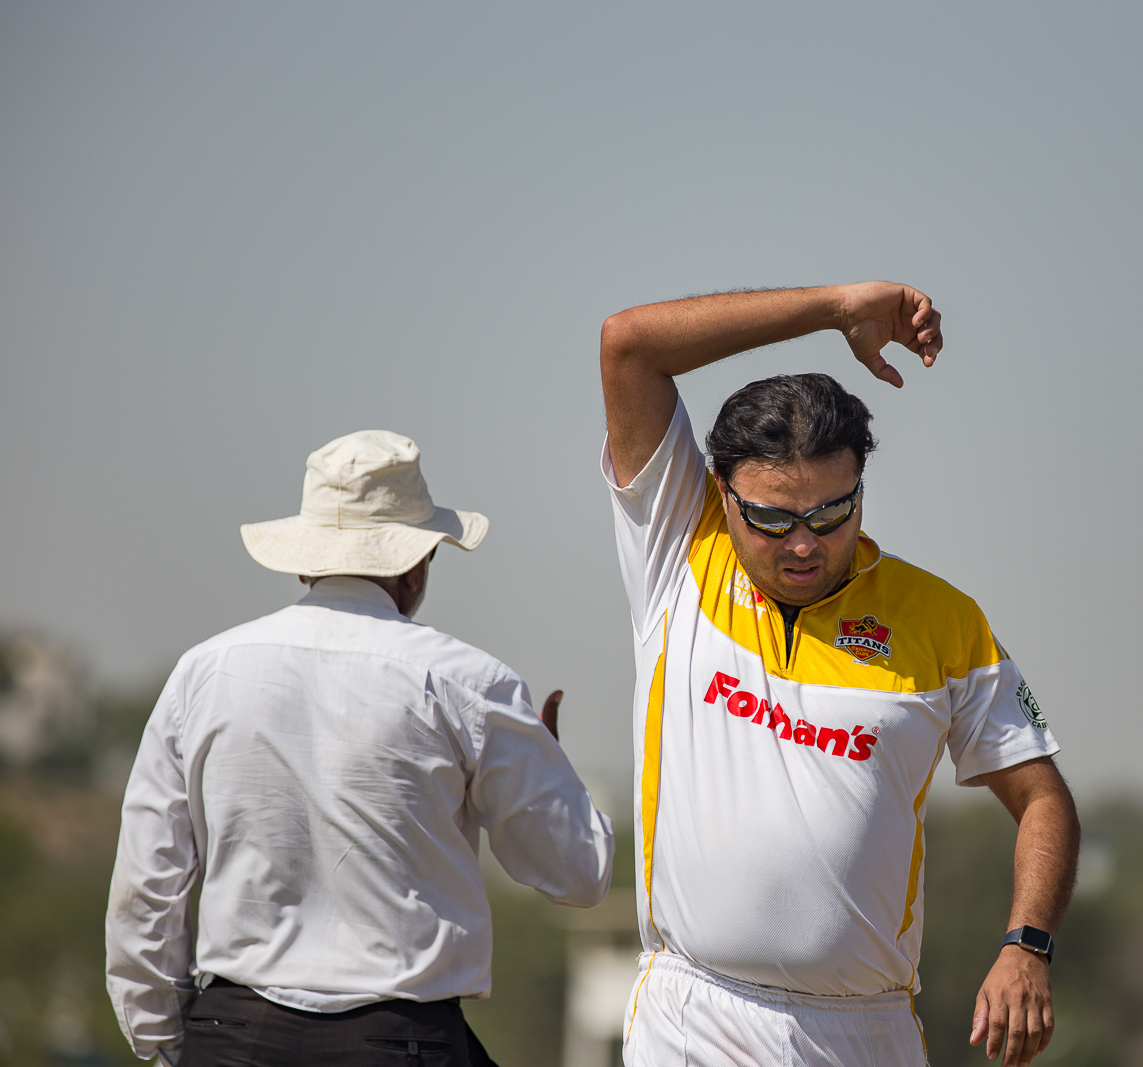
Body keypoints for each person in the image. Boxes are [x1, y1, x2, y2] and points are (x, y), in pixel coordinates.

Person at [599, 282, 1080, 1067]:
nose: (802, 544)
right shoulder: (679, 544)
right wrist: (835, 308)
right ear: (721, 493)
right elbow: (629, 344)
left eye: (830, 514)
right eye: (771, 518)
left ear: (862, 487)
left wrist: (1027, 944)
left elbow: (1043, 797)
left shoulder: (943, 618)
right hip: (696, 1013)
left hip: (866, 1027)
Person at [106, 429, 615, 1066]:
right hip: (400, 1043)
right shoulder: (469, 684)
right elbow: (579, 874)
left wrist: (169, 1042)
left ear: (304, 561)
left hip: (232, 1035)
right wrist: (549, 769)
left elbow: (147, 889)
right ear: (416, 563)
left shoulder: (203, 674)